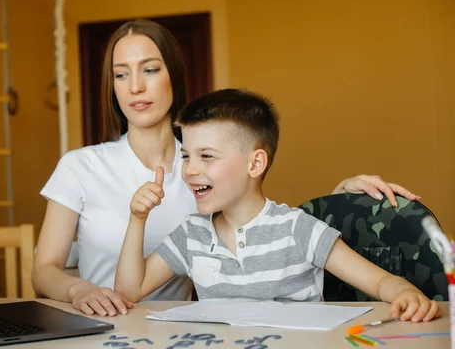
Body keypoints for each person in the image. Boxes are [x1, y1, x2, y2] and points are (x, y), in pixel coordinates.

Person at [33, 19, 421, 317]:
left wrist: (341, 200)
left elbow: (264, 220)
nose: (135, 86)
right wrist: (78, 290)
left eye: (149, 69)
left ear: (173, 76)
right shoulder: (82, 166)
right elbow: (47, 269)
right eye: (121, 74)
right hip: (110, 326)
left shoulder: (211, 158)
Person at [115, 88, 440, 323]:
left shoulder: (298, 229)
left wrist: (405, 295)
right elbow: (129, 291)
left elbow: (381, 281)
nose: (189, 170)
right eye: (186, 156)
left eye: (207, 156)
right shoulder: (191, 235)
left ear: (255, 164)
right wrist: (137, 217)